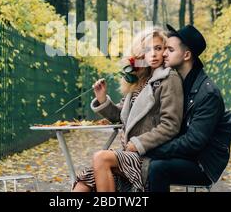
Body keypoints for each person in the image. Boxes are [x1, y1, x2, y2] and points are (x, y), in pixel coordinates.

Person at [72, 27, 184, 192]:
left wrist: (138, 144)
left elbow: (171, 125)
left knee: (100, 158)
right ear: (141, 54)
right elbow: (121, 116)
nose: (153, 54)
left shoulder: (169, 79)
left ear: (165, 51)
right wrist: (102, 99)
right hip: (129, 155)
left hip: (148, 156)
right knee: (83, 184)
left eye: (158, 48)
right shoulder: (141, 81)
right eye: (148, 49)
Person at [147, 24, 231, 192]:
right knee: (139, 164)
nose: (164, 53)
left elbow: (193, 141)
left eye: (170, 50)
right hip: (188, 156)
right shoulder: (179, 82)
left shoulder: (208, 93)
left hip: (202, 164)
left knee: (157, 167)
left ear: (186, 55)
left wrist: (153, 150)